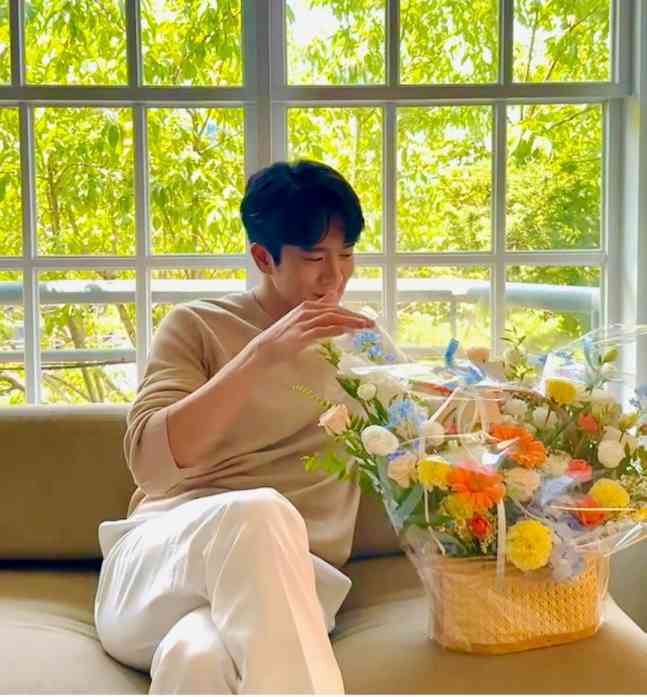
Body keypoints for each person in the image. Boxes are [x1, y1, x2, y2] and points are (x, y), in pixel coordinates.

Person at [94, 159, 377, 694]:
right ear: (263, 258)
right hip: (160, 566)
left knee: (196, 660)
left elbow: (429, 436)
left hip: (289, 585)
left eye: (346, 254)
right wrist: (260, 356)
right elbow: (150, 468)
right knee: (260, 511)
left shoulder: (362, 344)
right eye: (315, 257)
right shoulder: (196, 326)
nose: (335, 276)